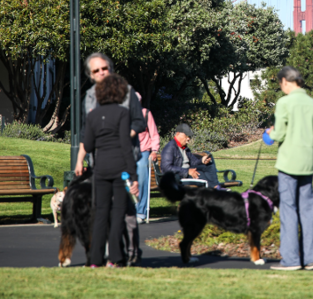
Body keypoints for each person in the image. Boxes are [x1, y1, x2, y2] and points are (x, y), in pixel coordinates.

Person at [78, 52, 146, 265]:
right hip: (100, 163)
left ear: (111, 68)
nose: (101, 73)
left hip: (125, 161)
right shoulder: (89, 97)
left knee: (125, 212)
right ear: (90, 75)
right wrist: (79, 160)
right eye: (96, 70)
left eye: (104, 68)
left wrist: (121, 137)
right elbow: (85, 136)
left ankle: (130, 253)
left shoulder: (127, 92)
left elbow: (139, 123)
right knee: (104, 212)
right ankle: (109, 257)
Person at [265, 66, 313, 271]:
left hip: (288, 163)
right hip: (307, 164)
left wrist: (269, 134)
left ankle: (290, 261)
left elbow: (278, 135)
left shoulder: (284, 102)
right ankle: (310, 260)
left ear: (285, 82)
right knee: (307, 211)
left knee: (288, 211)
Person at [160, 123, 219, 188]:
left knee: (209, 165)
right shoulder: (170, 148)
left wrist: (202, 161)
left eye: (189, 136)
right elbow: (166, 168)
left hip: (188, 171)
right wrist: (187, 171)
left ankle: (216, 187)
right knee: (204, 178)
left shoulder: (185, 148)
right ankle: (216, 190)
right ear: (177, 134)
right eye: (186, 136)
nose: (188, 139)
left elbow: (194, 162)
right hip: (179, 176)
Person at [135, 107, 160, 223]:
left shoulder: (145, 114)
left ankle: (140, 212)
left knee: (142, 180)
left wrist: (154, 150)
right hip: (125, 151)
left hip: (143, 151)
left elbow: (154, 134)